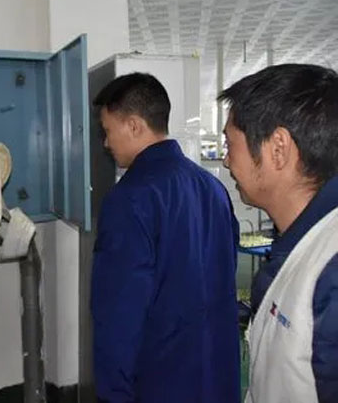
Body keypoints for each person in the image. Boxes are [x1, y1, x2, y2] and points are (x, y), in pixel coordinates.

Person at [91, 73, 240, 403]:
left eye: (107, 131)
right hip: (218, 374)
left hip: (161, 381)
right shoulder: (212, 188)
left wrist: (113, 394)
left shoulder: (128, 199)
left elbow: (118, 316)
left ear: (134, 125)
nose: (106, 143)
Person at [219, 64, 338, 403]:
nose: (226, 161)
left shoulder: (332, 272)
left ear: (278, 149)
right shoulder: (300, 241)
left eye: (230, 144)